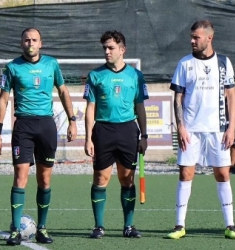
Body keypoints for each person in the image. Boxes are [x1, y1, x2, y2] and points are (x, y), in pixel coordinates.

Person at [0, 27, 77, 246]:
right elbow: (3, 99)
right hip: (24, 126)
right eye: (27, 40)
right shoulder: (12, 67)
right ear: (21, 44)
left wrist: (73, 121)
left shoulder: (52, 64)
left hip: (47, 126)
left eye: (34, 40)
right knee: (21, 176)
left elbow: (63, 91)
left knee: (45, 179)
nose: (30, 43)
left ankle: (42, 228)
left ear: (41, 43)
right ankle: (14, 229)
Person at [166, 20, 235, 240]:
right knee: (185, 173)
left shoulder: (224, 63)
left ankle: (230, 225)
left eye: (196, 37)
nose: (192, 40)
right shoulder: (184, 64)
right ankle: (179, 225)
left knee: (222, 173)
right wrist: (180, 126)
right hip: (191, 130)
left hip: (218, 129)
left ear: (209, 38)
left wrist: (231, 128)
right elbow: (177, 98)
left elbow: (231, 97)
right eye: (191, 36)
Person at [83, 30, 148, 239]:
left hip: (128, 130)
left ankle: (129, 226)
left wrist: (144, 136)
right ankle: (98, 226)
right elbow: (90, 108)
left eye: (111, 48)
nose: (107, 52)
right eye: (104, 48)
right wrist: (87, 137)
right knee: (101, 178)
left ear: (122, 49)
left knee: (126, 179)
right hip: (103, 130)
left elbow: (140, 107)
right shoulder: (95, 75)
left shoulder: (136, 75)